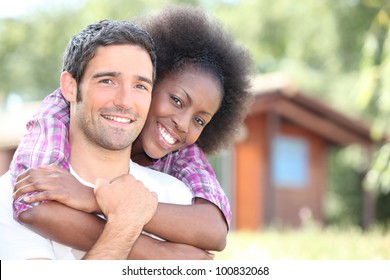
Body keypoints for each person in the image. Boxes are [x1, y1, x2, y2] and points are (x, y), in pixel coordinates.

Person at [9, 6, 253, 258]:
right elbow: (34, 205)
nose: (183, 123)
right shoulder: (60, 112)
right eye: (177, 101)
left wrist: (97, 200)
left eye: (200, 121)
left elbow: (214, 231)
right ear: (151, 82)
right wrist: (160, 254)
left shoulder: (183, 154)